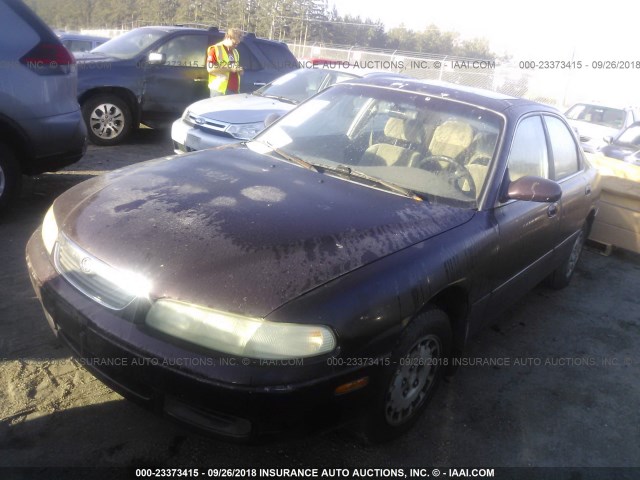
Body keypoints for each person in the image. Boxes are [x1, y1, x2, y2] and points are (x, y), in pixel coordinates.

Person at [206, 28, 243, 97]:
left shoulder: (235, 52)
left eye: (237, 44)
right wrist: (230, 69)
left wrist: (239, 70)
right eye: (234, 43)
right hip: (220, 90)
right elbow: (210, 69)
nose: (236, 46)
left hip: (234, 90)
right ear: (228, 38)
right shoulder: (216, 49)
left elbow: (234, 67)